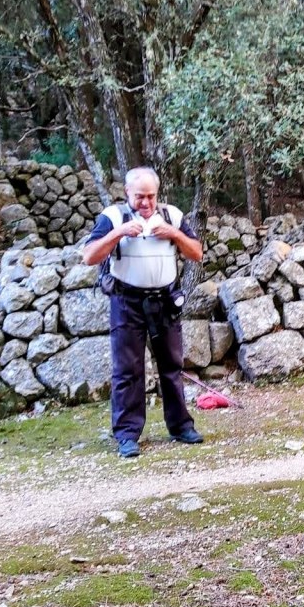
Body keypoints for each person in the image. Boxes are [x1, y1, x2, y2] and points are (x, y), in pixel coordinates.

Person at [82, 166, 204, 457]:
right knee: (127, 370)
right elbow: (89, 256)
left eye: (151, 196)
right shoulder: (112, 218)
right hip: (127, 302)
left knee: (172, 367)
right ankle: (127, 436)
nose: (146, 203)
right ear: (127, 193)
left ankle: (181, 427)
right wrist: (120, 232)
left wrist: (174, 234)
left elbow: (197, 253)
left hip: (164, 300)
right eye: (140, 197)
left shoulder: (172, 215)